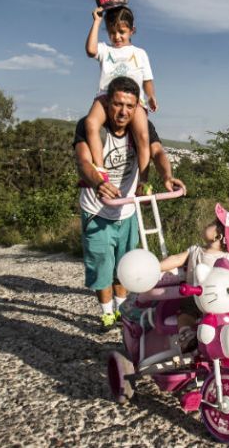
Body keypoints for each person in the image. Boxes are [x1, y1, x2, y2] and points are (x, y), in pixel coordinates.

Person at [73, 76, 185, 329]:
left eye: (129, 106)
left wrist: (167, 176)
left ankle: (122, 309)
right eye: (117, 104)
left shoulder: (141, 128)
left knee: (125, 265)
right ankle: (106, 312)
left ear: (136, 107)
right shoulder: (90, 127)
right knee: (102, 266)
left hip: (126, 210)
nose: (123, 111)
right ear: (107, 103)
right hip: (96, 210)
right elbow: (82, 162)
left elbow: (157, 152)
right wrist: (97, 182)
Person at [158, 203, 229, 351]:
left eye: (213, 223)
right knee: (185, 316)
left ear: (218, 236)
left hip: (217, 303)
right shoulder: (196, 250)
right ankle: (188, 335)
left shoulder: (227, 259)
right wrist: (157, 267)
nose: (208, 224)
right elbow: (177, 259)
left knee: (194, 315)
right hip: (194, 298)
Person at [84, 0, 155, 191]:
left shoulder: (139, 53)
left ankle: (143, 179)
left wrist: (151, 97)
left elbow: (147, 79)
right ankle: (101, 169)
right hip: (106, 97)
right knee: (90, 123)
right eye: (112, 32)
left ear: (132, 30)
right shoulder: (105, 50)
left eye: (122, 32)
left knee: (143, 135)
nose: (117, 37)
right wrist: (97, 21)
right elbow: (90, 50)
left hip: (133, 101)